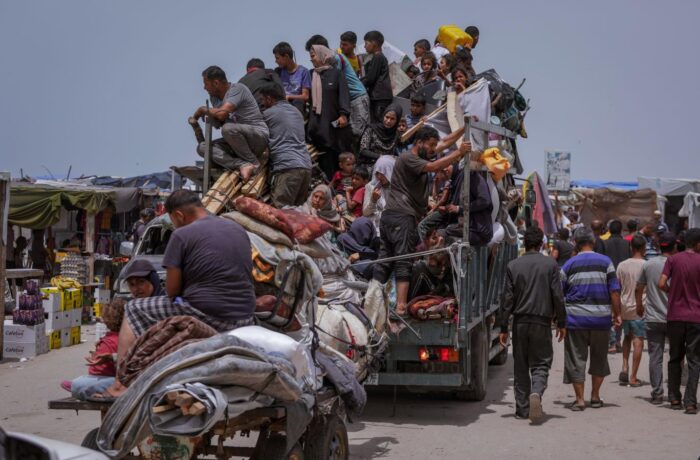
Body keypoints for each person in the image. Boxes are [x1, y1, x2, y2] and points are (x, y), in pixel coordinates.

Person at [97, 190, 255, 399]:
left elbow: (172, 290)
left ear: (179, 215)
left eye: (173, 221)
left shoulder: (182, 235)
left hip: (208, 314)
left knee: (134, 308)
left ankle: (121, 383)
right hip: (244, 316)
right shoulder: (237, 229)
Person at [372, 126, 470, 316]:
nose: (434, 149)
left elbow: (444, 142)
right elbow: (434, 167)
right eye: (431, 145)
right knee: (403, 260)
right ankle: (400, 306)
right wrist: (459, 152)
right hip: (402, 216)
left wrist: (463, 129)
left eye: (435, 145)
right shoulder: (410, 158)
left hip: (392, 216)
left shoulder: (422, 154)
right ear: (419, 143)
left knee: (385, 260)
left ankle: (373, 299)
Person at [499, 226, 566, 421]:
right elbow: (557, 296)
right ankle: (536, 391)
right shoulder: (550, 265)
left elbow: (507, 300)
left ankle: (522, 409)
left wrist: (503, 327)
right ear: (541, 244)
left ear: (524, 244)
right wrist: (562, 322)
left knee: (520, 366)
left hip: (520, 323)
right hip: (541, 322)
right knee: (541, 363)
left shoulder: (513, 265)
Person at [560, 227, 622, 411]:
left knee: (576, 358)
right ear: (593, 242)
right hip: (601, 319)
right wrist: (617, 314)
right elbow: (614, 291)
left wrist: (557, 317)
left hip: (576, 319)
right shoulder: (606, 262)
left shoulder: (569, 264)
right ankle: (595, 397)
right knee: (599, 358)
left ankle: (579, 400)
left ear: (576, 244)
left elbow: (558, 291)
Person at [193, 66, 270, 182]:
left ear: (216, 83)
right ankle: (242, 164)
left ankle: (254, 163)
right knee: (202, 148)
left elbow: (222, 114)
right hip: (237, 142)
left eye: (206, 84)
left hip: (257, 137)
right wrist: (211, 117)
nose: (204, 88)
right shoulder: (215, 98)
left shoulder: (237, 89)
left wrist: (203, 110)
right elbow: (219, 122)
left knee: (228, 129)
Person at [658, 227, 700, 414]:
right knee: (694, 360)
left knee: (675, 357)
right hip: (696, 317)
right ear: (698, 244)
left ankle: (674, 398)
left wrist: (672, 292)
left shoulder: (673, 260)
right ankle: (690, 402)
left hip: (675, 315)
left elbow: (661, 283)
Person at [636, 232, 677, 404]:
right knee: (676, 356)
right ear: (674, 247)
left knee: (655, 357)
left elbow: (639, 288)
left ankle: (657, 392)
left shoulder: (649, 264)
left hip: (653, 317)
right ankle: (674, 393)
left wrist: (639, 305)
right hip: (675, 317)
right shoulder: (678, 263)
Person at [305, 35, 369, 138]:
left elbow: (335, 82)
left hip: (356, 97)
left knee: (358, 132)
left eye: (313, 53)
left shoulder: (334, 59)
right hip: (348, 99)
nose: (311, 59)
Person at [61, 298, 125, 400]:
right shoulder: (114, 338)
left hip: (111, 379)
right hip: (107, 378)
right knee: (84, 380)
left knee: (79, 384)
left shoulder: (118, 339)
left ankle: (81, 388)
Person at [260, 83, 312, 208]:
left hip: (287, 168)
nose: (262, 103)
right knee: (299, 213)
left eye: (262, 99)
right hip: (306, 167)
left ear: (269, 98)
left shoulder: (268, 114)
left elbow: (258, 136)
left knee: (281, 212)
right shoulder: (296, 112)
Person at [307, 45, 353, 181]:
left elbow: (344, 95)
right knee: (323, 157)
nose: (311, 59)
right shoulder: (311, 75)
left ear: (323, 55)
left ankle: (341, 189)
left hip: (333, 123)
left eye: (313, 56)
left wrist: (344, 114)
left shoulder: (336, 73)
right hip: (317, 123)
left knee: (337, 154)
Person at [616, 235, 648, 387]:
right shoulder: (646, 265)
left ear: (631, 247)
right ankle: (633, 377)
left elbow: (617, 288)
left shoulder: (622, 265)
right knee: (638, 341)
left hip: (624, 306)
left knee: (627, 337)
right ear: (643, 248)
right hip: (639, 308)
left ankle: (624, 366)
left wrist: (614, 311)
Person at [361, 31, 393, 124]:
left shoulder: (377, 57)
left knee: (378, 123)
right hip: (381, 97)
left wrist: (357, 84)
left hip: (379, 97)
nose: (364, 46)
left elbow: (370, 78)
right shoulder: (380, 57)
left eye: (366, 43)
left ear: (374, 43)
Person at [273, 42, 311, 114]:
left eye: (277, 58)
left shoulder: (303, 72)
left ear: (286, 57)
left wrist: (289, 97)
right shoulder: (278, 72)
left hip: (296, 108)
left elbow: (305, 96)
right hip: (281, 107)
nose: (276, 61)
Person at [363, 155, 395, 234]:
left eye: (383, 173)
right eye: (377, 173)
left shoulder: (398, 187)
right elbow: (365, 212)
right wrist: (373, 200)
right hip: (376, 226)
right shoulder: (371, 186)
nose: (379, 177)